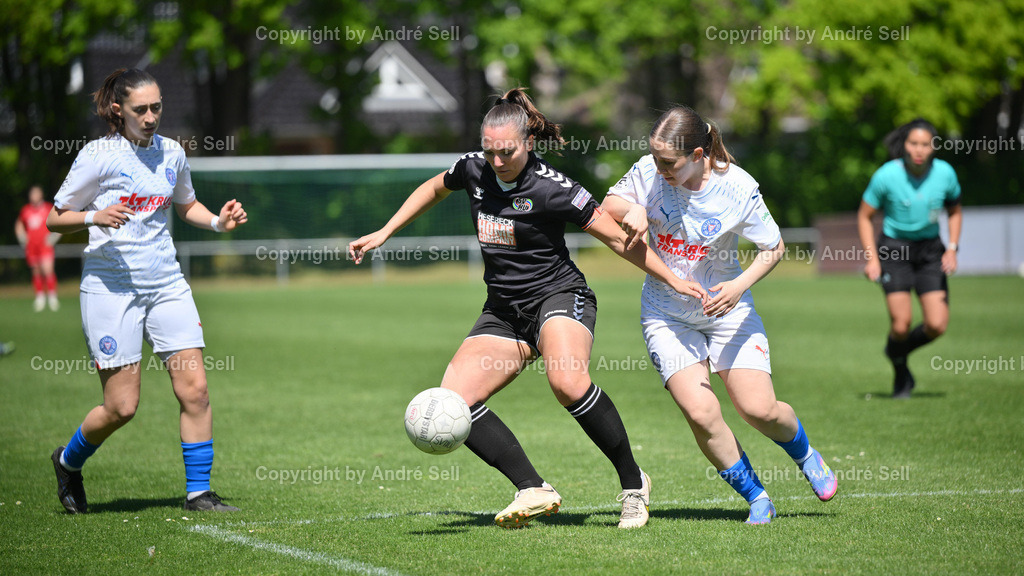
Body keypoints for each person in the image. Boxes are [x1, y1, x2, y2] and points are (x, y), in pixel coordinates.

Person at [349, 88, 706, 529]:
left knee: (567, 383)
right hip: (504, 310)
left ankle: (634, 484)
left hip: (559, 297)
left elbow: (617, 239)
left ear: (528, 143)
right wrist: (385, 231)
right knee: (455, 398)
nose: (498, 161)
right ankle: (532, 488)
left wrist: (672, 279)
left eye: (507, 151)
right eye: (490, 151)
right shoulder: (473, 169)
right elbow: (434, 187)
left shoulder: (555, 190)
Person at [601, 106, 837, 525]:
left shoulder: (737, 187)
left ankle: (805, 454)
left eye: (668, 162)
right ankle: (757, 497)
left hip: (727, 309)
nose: (659, 169)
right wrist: (630, 209)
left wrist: (738, 286)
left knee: (758, 409)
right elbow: (609, 204)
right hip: (666, 313)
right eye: (654, 159)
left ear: (697, 154)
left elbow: (774, 247)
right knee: (701, 413)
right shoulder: (648, 172)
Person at [46, 68, 248, 514]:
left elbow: (186, 203)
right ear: (118, 109)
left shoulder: (172, 153)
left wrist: (219, 222)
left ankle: (199, 492)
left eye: (158, 106)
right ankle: (67, 460)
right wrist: (92, 218)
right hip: (110, 289)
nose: (152, 116)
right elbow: (54, 218)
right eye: (142, 109)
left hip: (167, 285)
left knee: (195, 390)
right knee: (121, 407)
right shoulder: (98, 156)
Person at [857, 119, 962, 399]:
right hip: (894, 249)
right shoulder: (886, 175)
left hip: (930, 251)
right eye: (913, 143)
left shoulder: (945, 174)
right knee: (901, 324)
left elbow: (954, 211)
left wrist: (952, 248)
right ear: (904, 145)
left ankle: (894, 352)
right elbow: (865, 216)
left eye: (925, 144)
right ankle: (901, 367)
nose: (919, 150)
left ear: (933, 147)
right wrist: (872, 259)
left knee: (937, 325)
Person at [16, 185, 62, 311]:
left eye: (36, 193)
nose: (34, 196)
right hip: (32, 246)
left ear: (41, 195)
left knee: (48, 270)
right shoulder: (26, 210)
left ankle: (52, 298)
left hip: (45, 246)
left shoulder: (48, 208)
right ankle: (40, 297)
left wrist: (53, 238)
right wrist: (22, 238)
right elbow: (19, 225)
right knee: (36, 271)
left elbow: (60, 223)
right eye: (32, 194)